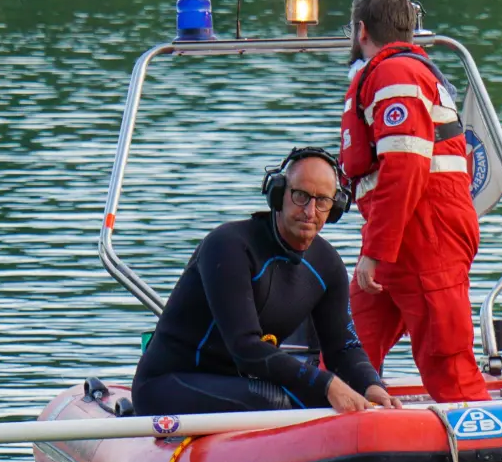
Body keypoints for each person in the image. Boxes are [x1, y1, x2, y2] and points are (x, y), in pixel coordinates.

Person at [132, 148, 403, 416]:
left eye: (322, 201)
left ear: (335, 208)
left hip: (238, 382)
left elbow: (343, 346)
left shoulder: (327, 263)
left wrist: (371, 385)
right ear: (278, 194)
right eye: (301, 196)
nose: (310, 211)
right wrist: (326, 383)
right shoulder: (228, 246)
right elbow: (245, 348)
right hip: (168, 382)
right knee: (275, 400)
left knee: (312, 397)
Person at [337, 0, 490, 403]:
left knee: (447, 363)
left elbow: (404, 165)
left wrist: (375, 250)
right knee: (348, 351)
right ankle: (337, 437)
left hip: (424, 236)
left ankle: (484, 455)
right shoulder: (408, 71)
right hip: (402, 235)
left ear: (361, 30)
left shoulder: (394, 75)